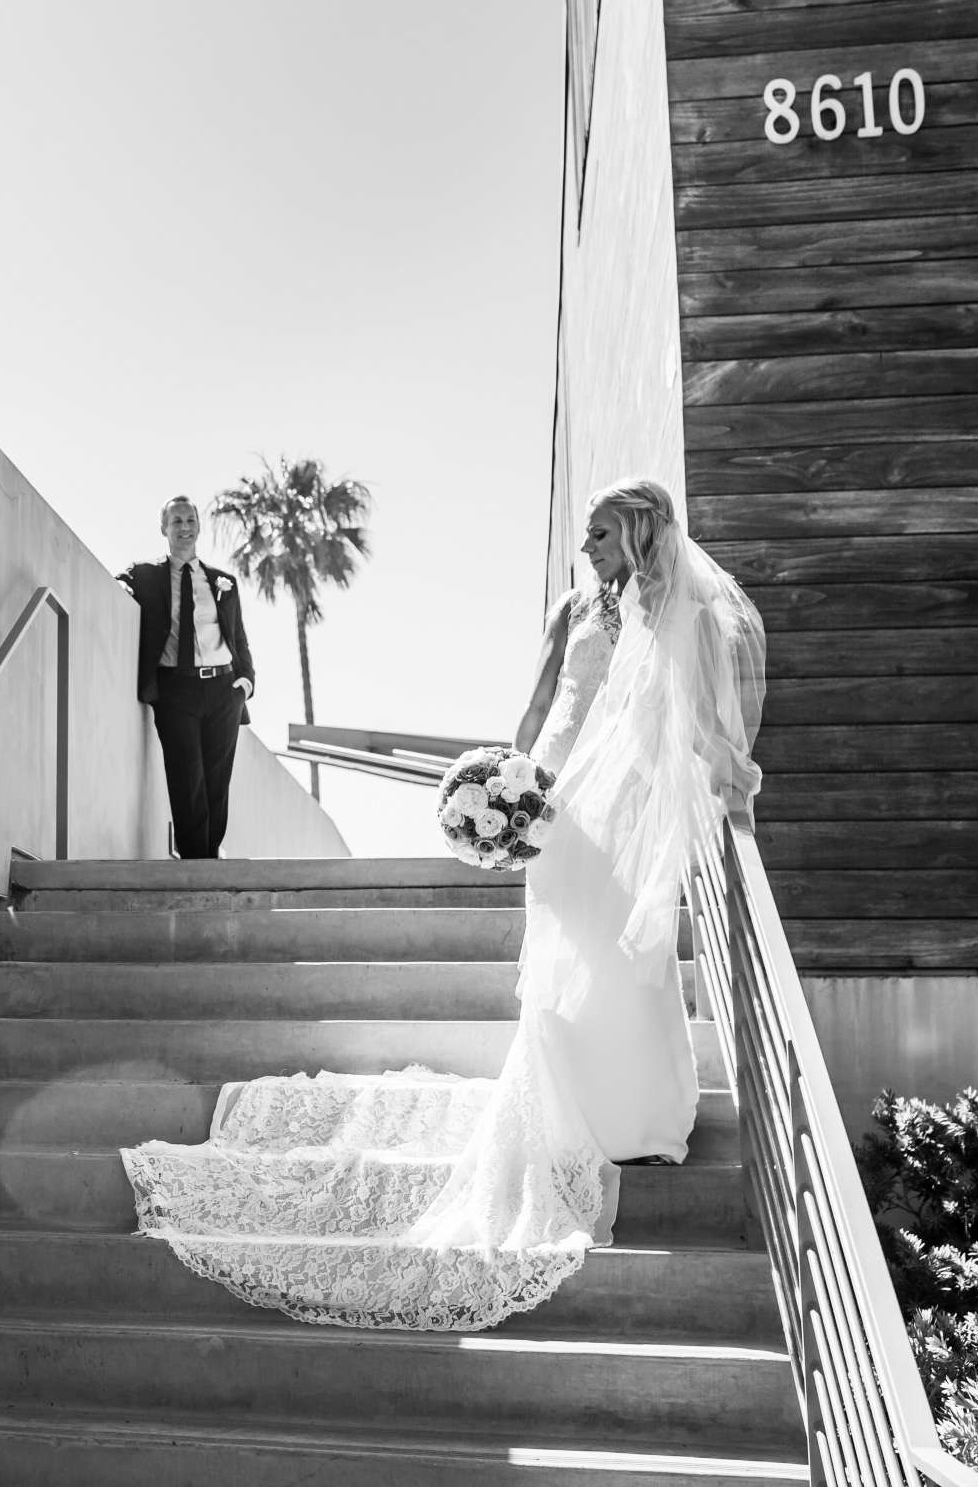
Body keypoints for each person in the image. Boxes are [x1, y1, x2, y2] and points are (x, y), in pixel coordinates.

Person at [121, 478, 765, 1331]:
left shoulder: (675, 610)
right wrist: (508, 788)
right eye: (585, 536)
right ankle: (572, 1108)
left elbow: (695, 714)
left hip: (631, 809)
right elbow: (541, 705)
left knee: (627, 957)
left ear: (641, 534)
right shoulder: (572, 610)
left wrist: (732, 775)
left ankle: (639, 1112)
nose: (589, 550)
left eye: (602, 536)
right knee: (565, 958)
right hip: (561, 808)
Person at [118, 497, 255, 860]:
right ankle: (197, 861)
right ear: (164, 528)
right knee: (185, 776)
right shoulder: (146, 575)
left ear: (199, 525)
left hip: (224, 688)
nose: (184, 527)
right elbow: (119, 584)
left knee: (217, 779)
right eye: (176, 520)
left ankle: (208, 856)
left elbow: (238, 636)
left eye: (190, 519)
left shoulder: (223, 582)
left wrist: (246, 682)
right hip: (176, 688)